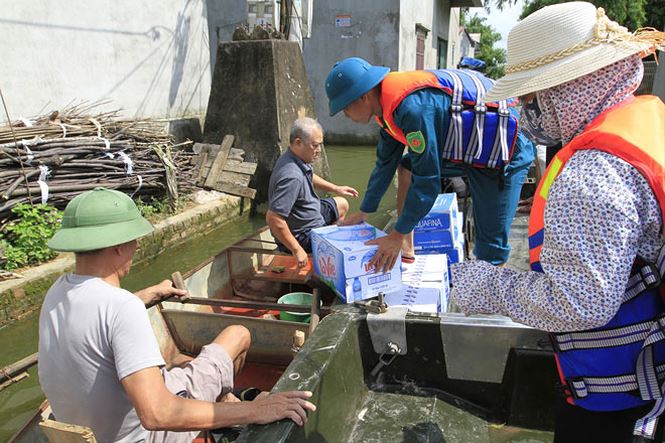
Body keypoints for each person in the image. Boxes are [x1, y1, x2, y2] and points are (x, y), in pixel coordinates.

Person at [449, 3, 665, 442]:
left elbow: (578, 303)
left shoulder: (591, 171)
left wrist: (484, 286)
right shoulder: (645, 122)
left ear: (568, 88)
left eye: (532, 97)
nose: (528, 111)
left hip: (621, 402)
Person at [39, 187, 316, 443]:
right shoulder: (122, 308)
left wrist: (147, 295)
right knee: (238, 334)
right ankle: (228, 409)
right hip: (147, 435)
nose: (136, 248)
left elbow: (99, 315)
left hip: (98, 431)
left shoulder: (57, 291)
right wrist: (255, 410)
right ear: (119, 246)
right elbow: (157, 414)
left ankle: (225, 402)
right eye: (134, 240)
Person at [324, 57, 534, 272]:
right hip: (467, 149)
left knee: (490, 247)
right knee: (406, 166)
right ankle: (406, 247)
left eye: (345, 108)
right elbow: (384, 164)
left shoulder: (413, 110)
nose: (346, 116)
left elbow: (428, 182)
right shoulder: (387, 111)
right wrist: (365, 212)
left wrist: (396, 232)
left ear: (364, 97)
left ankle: (491, 300)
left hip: (504, 152)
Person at [267, 117, 358, 267]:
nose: (318, 151)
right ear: (298, 143)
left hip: (311, 213)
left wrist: (336, 188)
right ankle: (319, 250)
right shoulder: (291, 177)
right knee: (349, 238)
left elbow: (308, 176)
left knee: (342, 204)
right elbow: (273, 218)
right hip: (303, 234)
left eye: (320, 145)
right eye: (315, 146)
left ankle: (328, 238)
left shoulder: (293, 158)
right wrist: (296, 249)